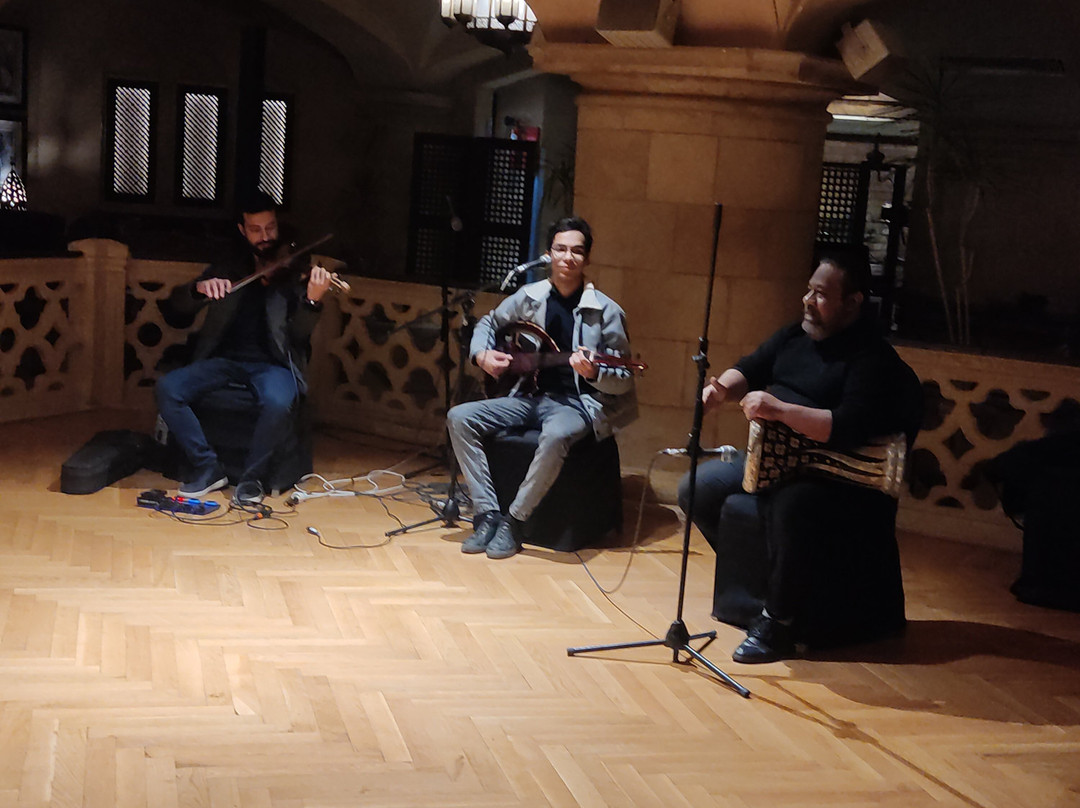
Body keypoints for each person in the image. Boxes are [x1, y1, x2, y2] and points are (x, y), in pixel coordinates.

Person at [678, 249, 919, 663]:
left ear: (853, 302)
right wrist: (721, 390)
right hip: (776, 459)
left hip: (837, 471)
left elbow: (844, 427)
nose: (808, 300)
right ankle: (758, 579)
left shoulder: (871, 359)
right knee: (695, 489)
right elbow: (751, 367)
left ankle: (779, 623)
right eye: (809, 290)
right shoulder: (795, 335)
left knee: (791, 505)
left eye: (821, 294)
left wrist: (779, 410)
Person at [446, 216, 637, 559]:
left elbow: (623, 380)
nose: (568, 257)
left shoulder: (606, 311)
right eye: (561, 249)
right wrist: (481, 354)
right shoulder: (529, 297)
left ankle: (515, 521)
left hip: (580, 404)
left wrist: (594, 372)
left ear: (587, 259)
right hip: (529, 396)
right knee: (460, 418)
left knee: (556, 435)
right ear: (549, 254)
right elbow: (489, 322)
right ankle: (487, 514)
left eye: (576, 251)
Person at [155, 191, 331, 505]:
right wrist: (199, 290)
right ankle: (207, 466)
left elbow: (298, 335)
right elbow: (176, 310)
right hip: (224, 361)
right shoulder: (228, 266)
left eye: (270, 228)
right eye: (256, 230)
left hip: (274, 365)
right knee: (169, 388)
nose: (265, 237)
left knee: (278, 402)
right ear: (242, 230)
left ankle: (252, 479)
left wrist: (312, 301)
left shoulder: (293, 273)